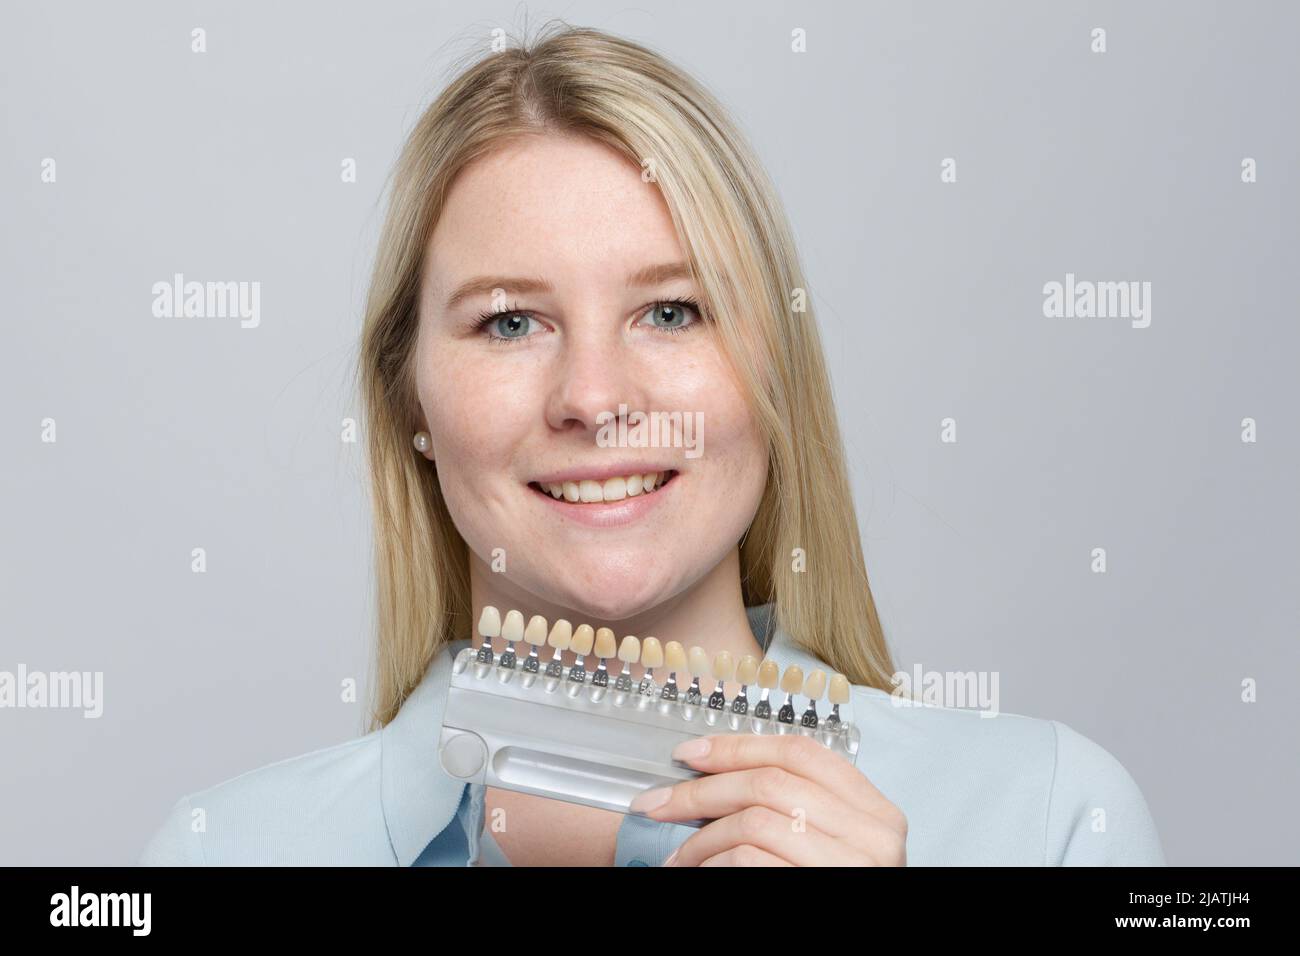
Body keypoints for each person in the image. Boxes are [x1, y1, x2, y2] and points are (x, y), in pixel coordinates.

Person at [138, 22, 1164, 867]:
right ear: (407, 394)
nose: (594, 397)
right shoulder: (213, 853)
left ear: (773, 371)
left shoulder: (1051, 820)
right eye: (509, 322)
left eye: (672, 311)